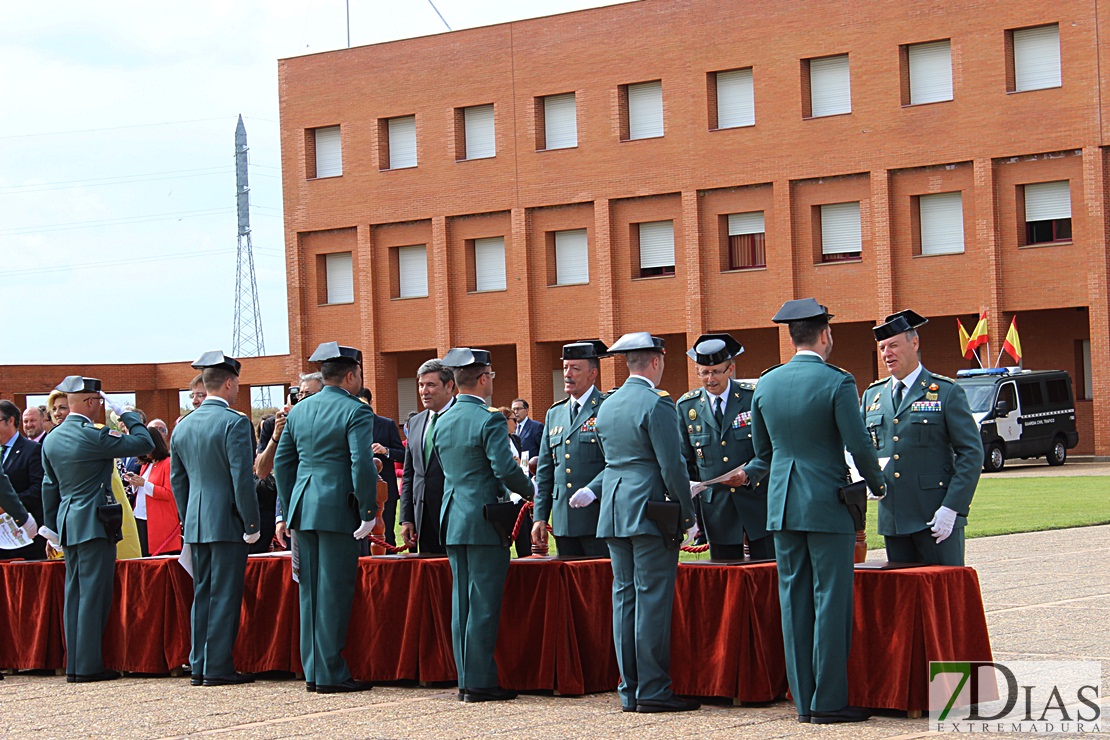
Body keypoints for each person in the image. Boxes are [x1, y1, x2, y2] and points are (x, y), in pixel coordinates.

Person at [749, 298, 886, 725]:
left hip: (782, 504)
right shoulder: (837, 382)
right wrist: (878, 484)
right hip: (827, 502)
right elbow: (860, 444)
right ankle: (829, 702)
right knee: (831, 601)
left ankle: (805, 701)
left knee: (794, 601)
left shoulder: (767, 383)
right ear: (825, 335)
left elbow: (763, 452)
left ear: (792, 338)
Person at [584, 332, 698, 714]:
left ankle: (629, 688)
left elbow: (610, 459)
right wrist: (686, 515)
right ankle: (653, 689)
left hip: (615, 507)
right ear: (655, 361)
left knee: (624, 599)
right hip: (648, 509)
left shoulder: (610, 404)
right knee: (651, 599)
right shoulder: (657, 403)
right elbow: (672, 465)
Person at [274, 342, 377, 694]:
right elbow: (361, 463)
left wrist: (289, 507)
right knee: (333, 591)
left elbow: (282, 463)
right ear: (351, 376)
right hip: (337, 508)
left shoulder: (300, 410)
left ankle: (314, 670)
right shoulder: (356, 411)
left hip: (304, 507)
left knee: (311, 592)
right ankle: (331, 671)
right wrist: (368, 510)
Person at [436, 348, 533, 703]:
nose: (492, 380)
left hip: (454, 514)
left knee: (462, 601)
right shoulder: (489, 418)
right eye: (490, 375)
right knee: (484, 602)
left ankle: (466, 677)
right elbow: (505, 469)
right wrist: (532, 491)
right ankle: (479, 681)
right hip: (483, 516)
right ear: (482, 378)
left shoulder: (442, 419)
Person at [41, 376, 153, 682]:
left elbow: (49, 487)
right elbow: (145, 442)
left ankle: (76, 664)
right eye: (100, 403)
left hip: (68, 523)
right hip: (94, 522)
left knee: (74, 593)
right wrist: (127, 414)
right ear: (90, 403)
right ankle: (89, 666)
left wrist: (53, 529)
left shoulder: (52, 438)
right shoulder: (92, 435)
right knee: (93, 593)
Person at [862, 310, 982, 566]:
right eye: (882, 348)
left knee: (943, 598)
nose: (886, 354)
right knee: (903, 600)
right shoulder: (872, 396)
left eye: (893, 345)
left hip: (936, 518)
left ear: (914, 343)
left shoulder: (946, 392)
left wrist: (953, 507)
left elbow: (971, 454)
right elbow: (864, 449)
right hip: (893, 519)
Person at [170, 351, 261, 687]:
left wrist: (186, 518)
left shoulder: (182, 426)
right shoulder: (234, 422)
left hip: (196, 521)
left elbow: (178, 481)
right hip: (226, 520)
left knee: (203, 593)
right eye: (236, 383)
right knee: (224, 593)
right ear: (227, 383)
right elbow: (242, 478)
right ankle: (217, 665)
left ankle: (199, 662)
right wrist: (251, 523)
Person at [676, 334, 771, 560]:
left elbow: (768, 450)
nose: (711, 378)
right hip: (717, 508)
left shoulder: (751, 398)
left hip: (757, 501)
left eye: (717, 371)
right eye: (705, 372)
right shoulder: (686, 406)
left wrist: (748, 474)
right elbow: (685, 460)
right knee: (726, 578)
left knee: (767, 573)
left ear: (730, 370)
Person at [532, 340, 610, 558]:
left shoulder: (606, 407)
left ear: (592, 374)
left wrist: (592, 490)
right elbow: (545, 471)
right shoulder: (555, 413)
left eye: (575, 368)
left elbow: (616, 462)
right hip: (563, 520)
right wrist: (539, 517)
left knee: (598, 587)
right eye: (565, 367)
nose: (568, 374)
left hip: (597, 518)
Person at [399, 359, 455, 555]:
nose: (424, 391)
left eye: (431, 385)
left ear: (449, 386)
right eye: (421, 385)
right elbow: (409, 475)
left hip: (455, 516)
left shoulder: (463, 417)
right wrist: (406, 518)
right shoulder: (415, 422)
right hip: (422, 518)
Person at [126, 419, 180, 556]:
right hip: (140, 516)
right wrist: (134, 483)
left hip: (158, 521)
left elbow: (168, 494)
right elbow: (141, 490)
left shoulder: (167, 463)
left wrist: (144, 483)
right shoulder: (146, 464)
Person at [0, 400, 46, 561]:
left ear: (10, 421)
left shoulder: (32, 450)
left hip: (24, 538)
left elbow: (38, 490)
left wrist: (6, 506)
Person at [359, 388, 405, 547]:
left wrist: (386, 451)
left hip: (385, 490)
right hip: (358, 490)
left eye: (363, 402)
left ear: (370, 403)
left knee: (386, 536)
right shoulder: (347, 425)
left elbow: (403, 454)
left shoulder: (387, 424)